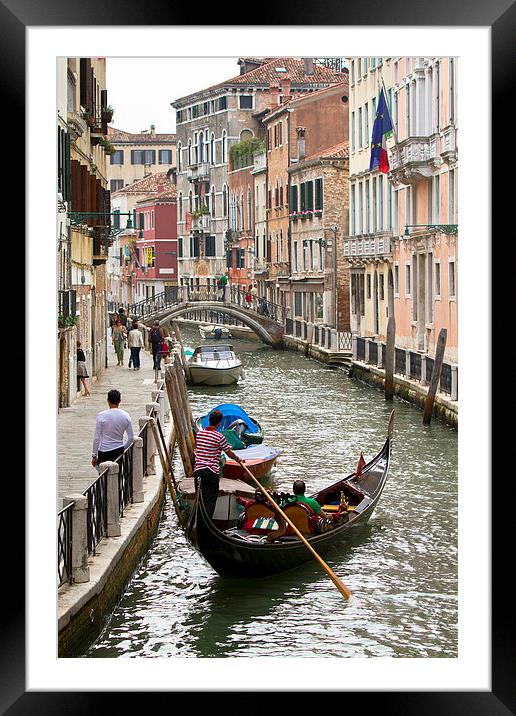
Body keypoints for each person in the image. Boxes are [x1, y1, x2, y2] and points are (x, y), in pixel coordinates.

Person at [193, 408, 244, 519]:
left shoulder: (200, 434)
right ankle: (206, 525)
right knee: (210, 501)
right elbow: (229, 453)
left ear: (210, 420)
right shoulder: (220, 437)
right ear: (219, 423)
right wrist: (238, 459)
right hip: (211, 472)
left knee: (200, 499)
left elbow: (206, 448)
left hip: (198, 471)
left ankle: (199, 523)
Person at [91, 389, 134, 470]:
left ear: (108, 401)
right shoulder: (126, 416)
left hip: (104, 452)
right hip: (119, 451)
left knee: (103, 478)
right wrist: (123, 448)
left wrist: (94, 455)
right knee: (117, 475)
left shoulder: (101, 416)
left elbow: (97, 438)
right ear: (119, 401)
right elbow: (131, 438)